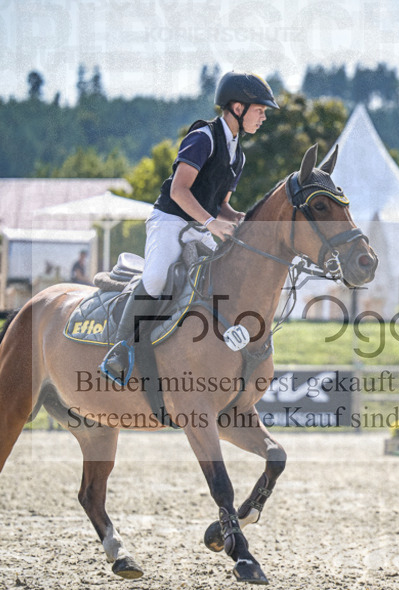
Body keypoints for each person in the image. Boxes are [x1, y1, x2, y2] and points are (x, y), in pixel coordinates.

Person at [101, 72, 279, 383]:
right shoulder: (203, 138)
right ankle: (120, 347)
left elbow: (220, 205)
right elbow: (179, 190)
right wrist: (211, 223)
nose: (264, 117)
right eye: (260, 110)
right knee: (156, 279)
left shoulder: (238, 155)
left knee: (225, 277)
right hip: (170, 220)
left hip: (200, 226)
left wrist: (240, 220)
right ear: (238, 108)